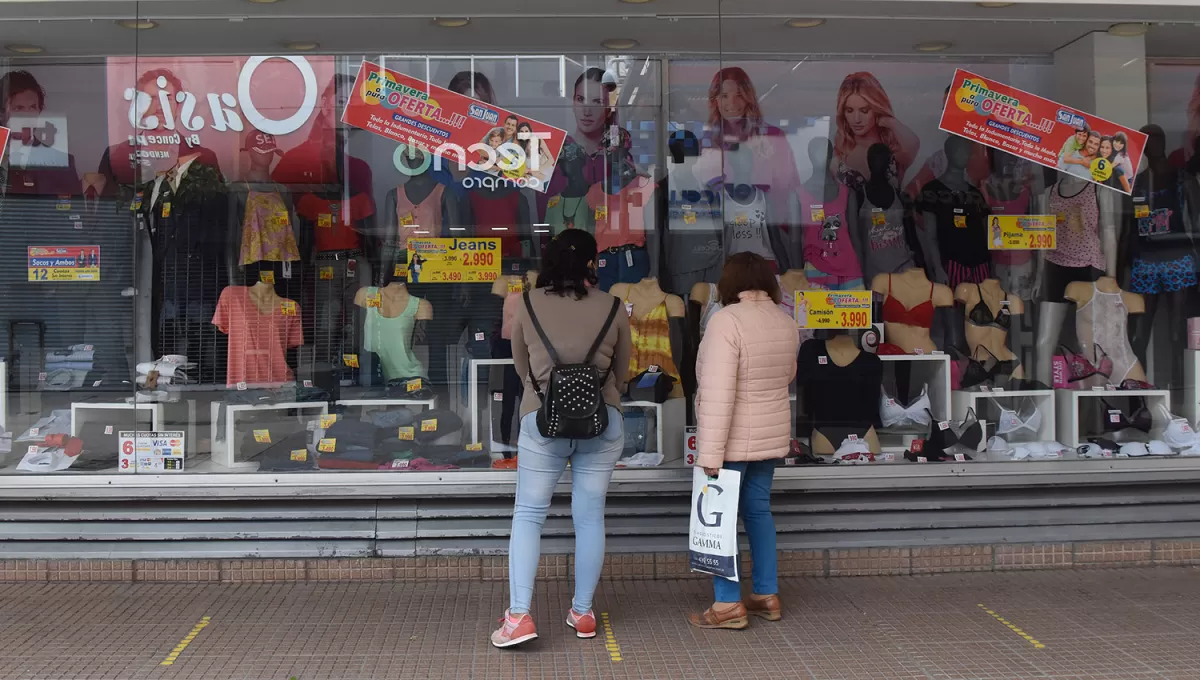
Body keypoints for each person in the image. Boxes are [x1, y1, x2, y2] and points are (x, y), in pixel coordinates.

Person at [491, 229, 632, 649]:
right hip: (602, 421)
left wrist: (547, 393)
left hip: (542, 420)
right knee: (589, 517)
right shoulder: (613, 307)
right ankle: (583, 612)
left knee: (529, 514)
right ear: (592, 263)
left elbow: (520, 367)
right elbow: (622, 372)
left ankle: (518, 617)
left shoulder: (527, 303)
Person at [687, 252, 799, 630]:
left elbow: (718, 393)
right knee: (758, 512)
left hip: (731, 441)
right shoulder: (785, 321)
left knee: (720, 521)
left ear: (729, 282)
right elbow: (785, 376)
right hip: (769, 437)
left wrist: (710, 454)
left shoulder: (725, 322)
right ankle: (766, 593)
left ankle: (727, 603)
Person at [833, 71, 920, 191]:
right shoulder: (840, 152)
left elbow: (913, 143)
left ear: (877, 109)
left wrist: (890, 122)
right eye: (849, 110)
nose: (856, 119)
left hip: (892, 210)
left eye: (864, 111)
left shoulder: (894, 152)